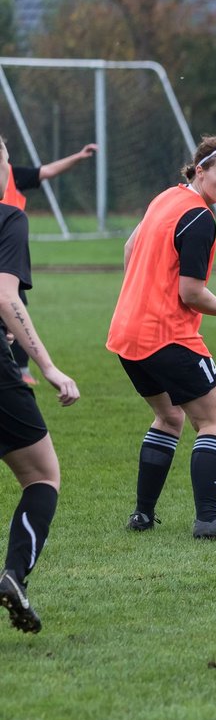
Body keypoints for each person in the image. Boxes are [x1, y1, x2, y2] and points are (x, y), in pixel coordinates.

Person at [106, 134, 216, 541]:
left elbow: (129, 248)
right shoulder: (199, 219)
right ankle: (208, 519)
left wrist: (142, 293)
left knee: (169, 417)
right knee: (214, 421)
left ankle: (142, 515)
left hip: (127, 333)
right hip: (166, 337)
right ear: (200, 170)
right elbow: (190, 293)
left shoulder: (166, 198)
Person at [0, 136, 81, 633]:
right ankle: (14, 576)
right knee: (41, 476)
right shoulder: (9, 218)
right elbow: (6, 298)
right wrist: (48, 366)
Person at [2, 144, 99, 386]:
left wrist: (77, 156)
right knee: (12, 305)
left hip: (8, 250)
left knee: (13, 309)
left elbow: (46, 171)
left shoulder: (15, 174)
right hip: (8, 252)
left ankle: (21, 368)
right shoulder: (13, 218)